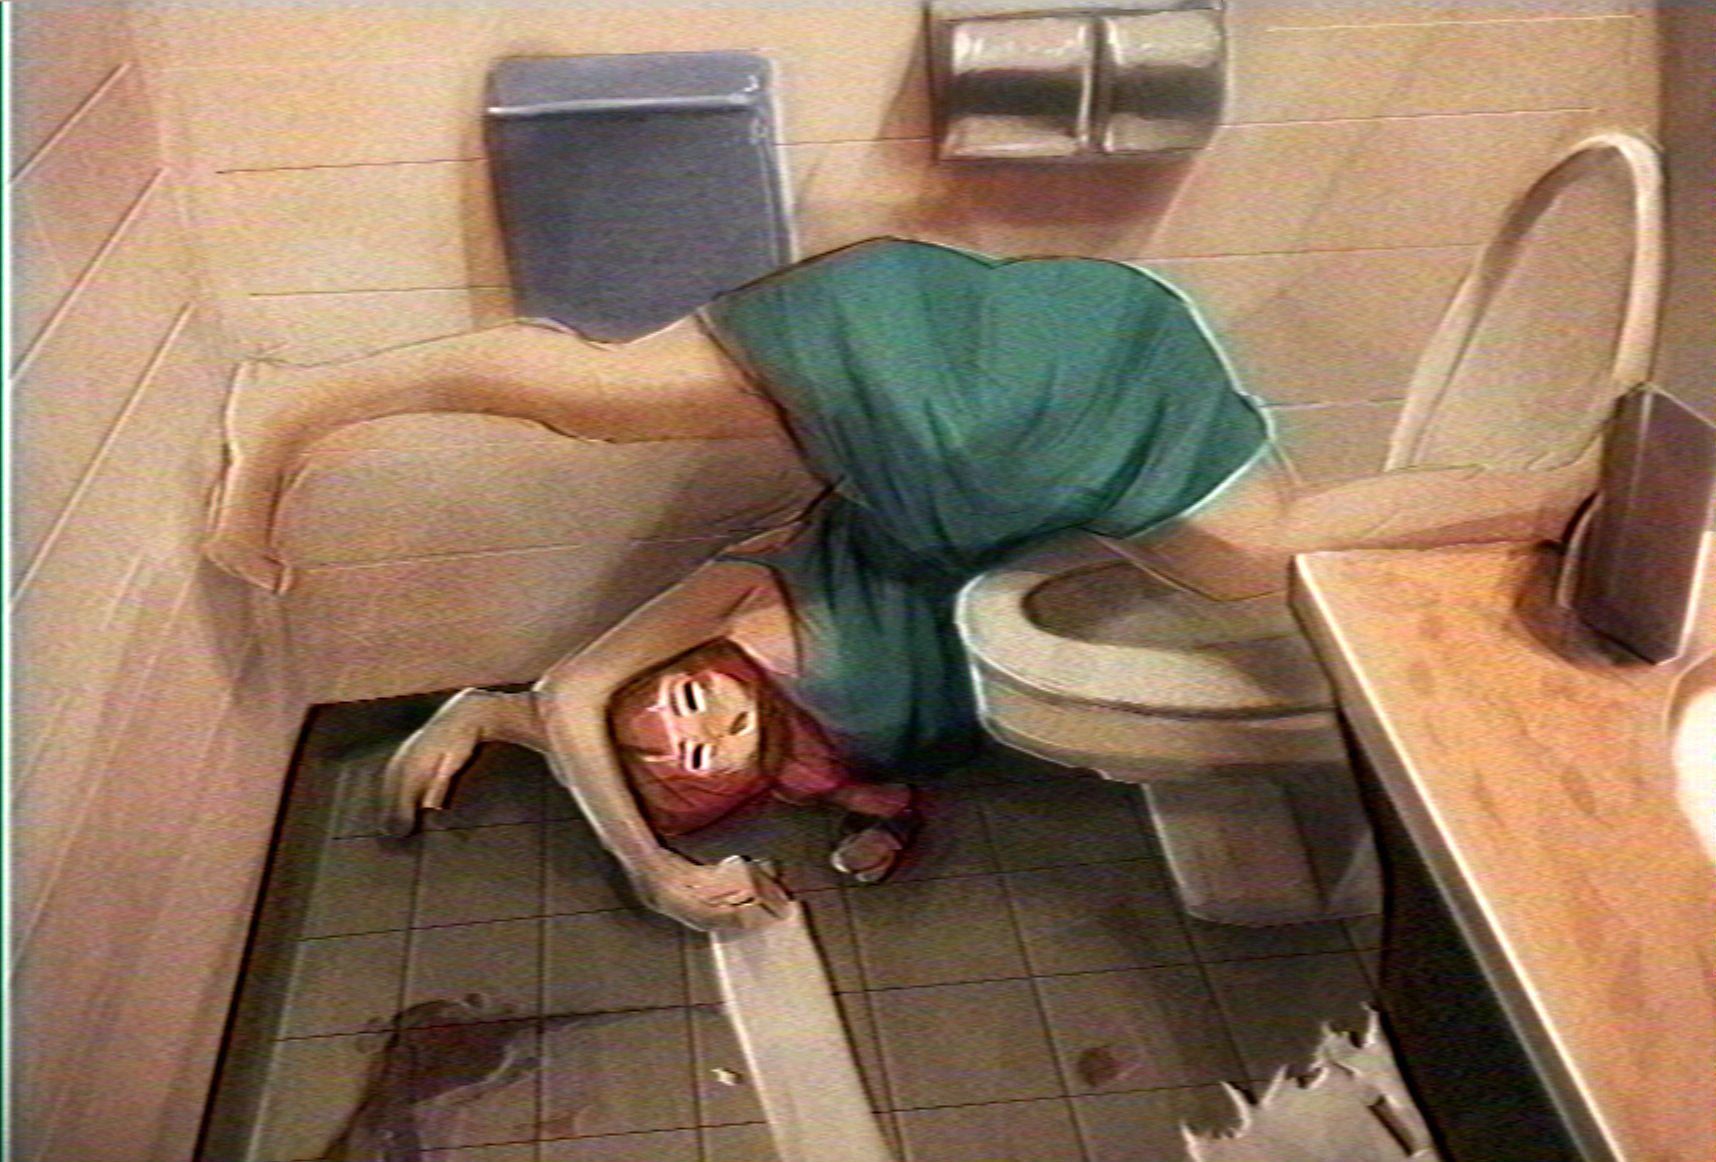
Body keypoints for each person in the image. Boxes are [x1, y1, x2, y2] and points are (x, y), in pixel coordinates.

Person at [210, 239, 1595, 930]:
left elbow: (569, 697)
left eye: (656, 722)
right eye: (691, 765)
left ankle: (295, 407)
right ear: (754, 771)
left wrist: (656, 872)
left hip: (941, 384)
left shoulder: (725, 594)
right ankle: (1549, 498)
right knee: (1257, 562)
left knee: (592, 398)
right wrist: (485, 721)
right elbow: (558, 716)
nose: (676, 726)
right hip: (1018, 438)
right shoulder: (832, 733)